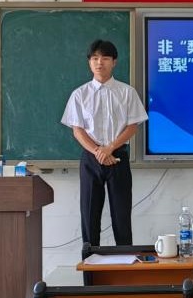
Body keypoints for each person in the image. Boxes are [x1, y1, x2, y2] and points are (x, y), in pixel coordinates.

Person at [61, 40, 148, 246]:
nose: (100, 62)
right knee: (89, 215)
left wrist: (109, 148)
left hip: (118, 157)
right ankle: (91, 265)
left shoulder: (127, 92)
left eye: (105, 58)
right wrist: (98, 151)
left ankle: (125, 263)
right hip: (91, 159)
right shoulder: (79, 94)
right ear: (89, 62)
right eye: (95, 58)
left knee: (122, 216)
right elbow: (77, 130)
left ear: (114, 62)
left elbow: (132, 126)